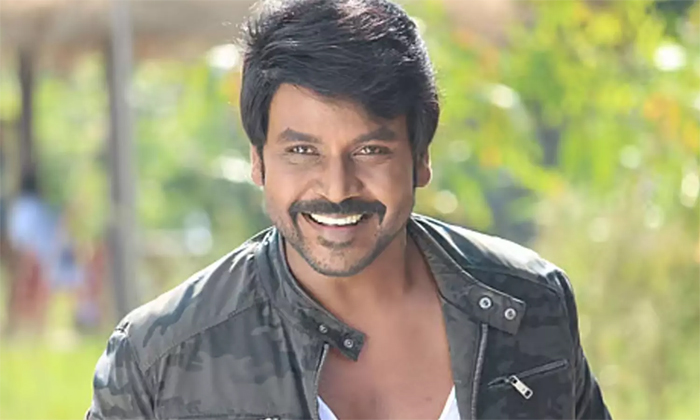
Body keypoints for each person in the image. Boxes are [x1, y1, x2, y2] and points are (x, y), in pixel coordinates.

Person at [87, 0, 611, 418]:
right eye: (302, 151)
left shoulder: (529, 302)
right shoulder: (160, 356)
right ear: (258, 162)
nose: (337, 189)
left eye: (370, 150)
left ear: (421, 158)